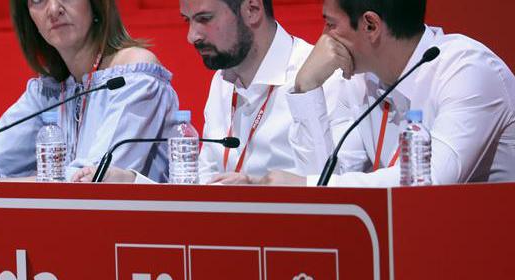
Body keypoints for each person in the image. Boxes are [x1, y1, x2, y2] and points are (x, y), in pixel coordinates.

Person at [0, 0, 178, 181]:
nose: (53, 9)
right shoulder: (49, 91)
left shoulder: (135, 73)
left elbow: (93, 180)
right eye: (38, 0)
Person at [73, 0, 339, 184]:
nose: (192, 36)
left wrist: (259, 191)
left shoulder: (319, 79)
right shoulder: (222, 82)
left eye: (204, 19)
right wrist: (133, 181)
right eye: (188, 20)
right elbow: (200, 187)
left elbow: (331, 190)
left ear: (253, 9)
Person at [257, 0, 515, 187]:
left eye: (330, 24)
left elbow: (428, 183)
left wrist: (306, 185)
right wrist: (307, 88)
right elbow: (325, 187)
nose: (324, 38)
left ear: (371, 25)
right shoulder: (359, 80)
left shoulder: (468, 70)